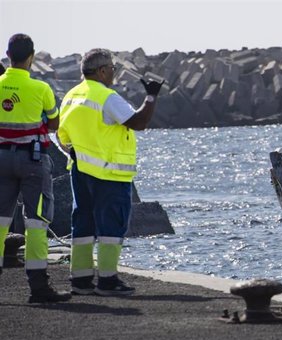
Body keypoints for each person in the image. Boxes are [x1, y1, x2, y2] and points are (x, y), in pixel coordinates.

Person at [57, 48, 164, 296]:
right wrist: (151, 97)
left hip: (80, 171)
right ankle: (107, 280)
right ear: (102, 71)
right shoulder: (107, 97)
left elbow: (61, 136)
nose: (114, 74)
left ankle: (81, 281)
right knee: (111, 225)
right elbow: (138, 123)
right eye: (113, 69)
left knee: (82, 222)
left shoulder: (71, 96)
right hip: (109, 173)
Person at [0, 34, 70, 303]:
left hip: (1, 159)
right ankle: (39, 288)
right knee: (36, 222)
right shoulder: (40, 89)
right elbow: (54, 124)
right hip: (32, 160)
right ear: (32, 57)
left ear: (8, 54)